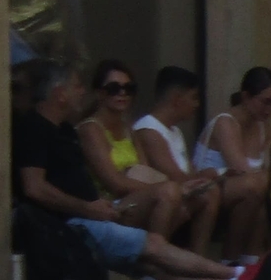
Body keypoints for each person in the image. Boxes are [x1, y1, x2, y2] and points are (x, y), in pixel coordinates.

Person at [12, 59, 271, 280]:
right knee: (154, 245)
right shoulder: (36, 128)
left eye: (128, 88)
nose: (80, 92)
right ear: (59, 94)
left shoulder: (65, 129)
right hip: (74, 224)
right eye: (75, 86)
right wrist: (89, 208)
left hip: (93, 214)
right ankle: (237, 271)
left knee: (153, 265)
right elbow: (34, 187)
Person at [76, 59, 187, 253]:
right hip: (108, 204)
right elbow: (114, 183)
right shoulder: (91, 129)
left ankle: (170, 262)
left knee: (188, 204)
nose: (122, 93)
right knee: (169, 193)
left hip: (133, 197)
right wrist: (162, 188)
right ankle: (156, 261)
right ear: (100, 93)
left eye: (129, 88)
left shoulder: (129, 128)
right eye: (114, 88)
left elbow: (144, 170)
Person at [197, 66, 271, 263]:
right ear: (246, 97)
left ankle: (257, 257)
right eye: (265, 102)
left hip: (242, 192)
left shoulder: (263, 127)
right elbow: (240, 171)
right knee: (258, 185)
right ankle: (232, 258)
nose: (270, 110)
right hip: (211, 188)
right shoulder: (225, 123)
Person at [132, 65, 222, 255]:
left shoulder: (176, 131)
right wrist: (205, 177)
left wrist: (208, 176)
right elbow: (173, 176)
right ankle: (158, 262)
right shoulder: (148, 130)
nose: (197, 105)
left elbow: (188, 174)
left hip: (180, 194)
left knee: (211, 191)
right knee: (207, 192)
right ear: (176, 99)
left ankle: (197, 258)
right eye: (193, 98)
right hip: (157, 199)